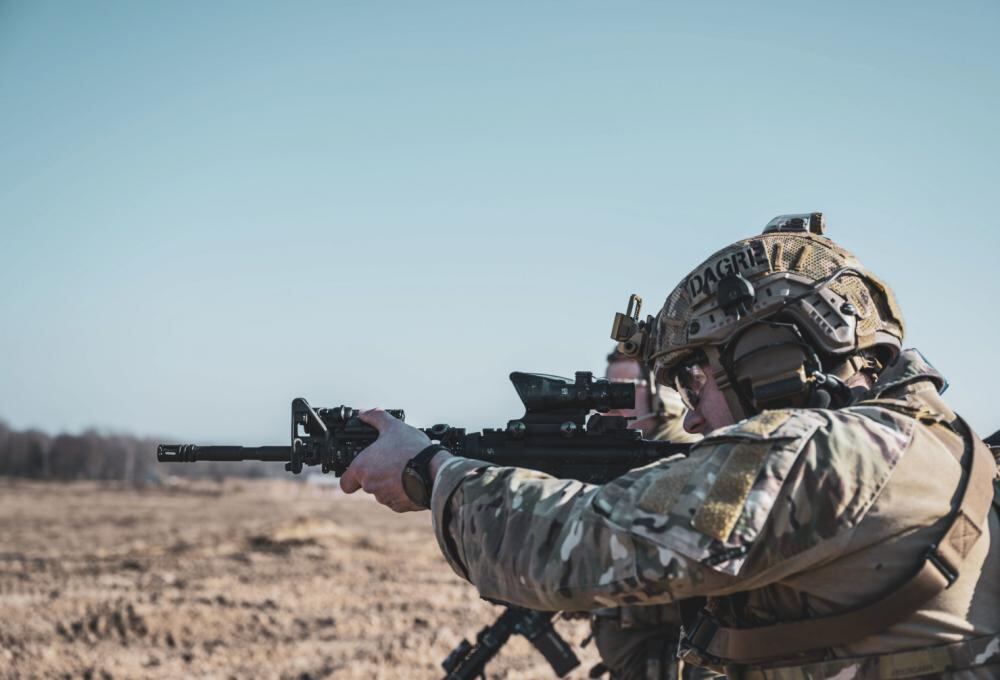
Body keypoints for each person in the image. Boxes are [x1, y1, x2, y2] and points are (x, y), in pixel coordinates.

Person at [341, 215, 1000, 679]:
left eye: (693, 376)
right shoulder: (938, 441)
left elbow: (578, 547)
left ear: (769, 358)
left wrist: (431, 472)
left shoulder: (826, 451)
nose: (689, 409)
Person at [593, 350, 710, 680]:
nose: (610, 398)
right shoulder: (617, 453)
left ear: (659, 393)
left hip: (685, 654)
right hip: (640, 655)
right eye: (608, 385)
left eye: (625, 386)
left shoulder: (686, 452)